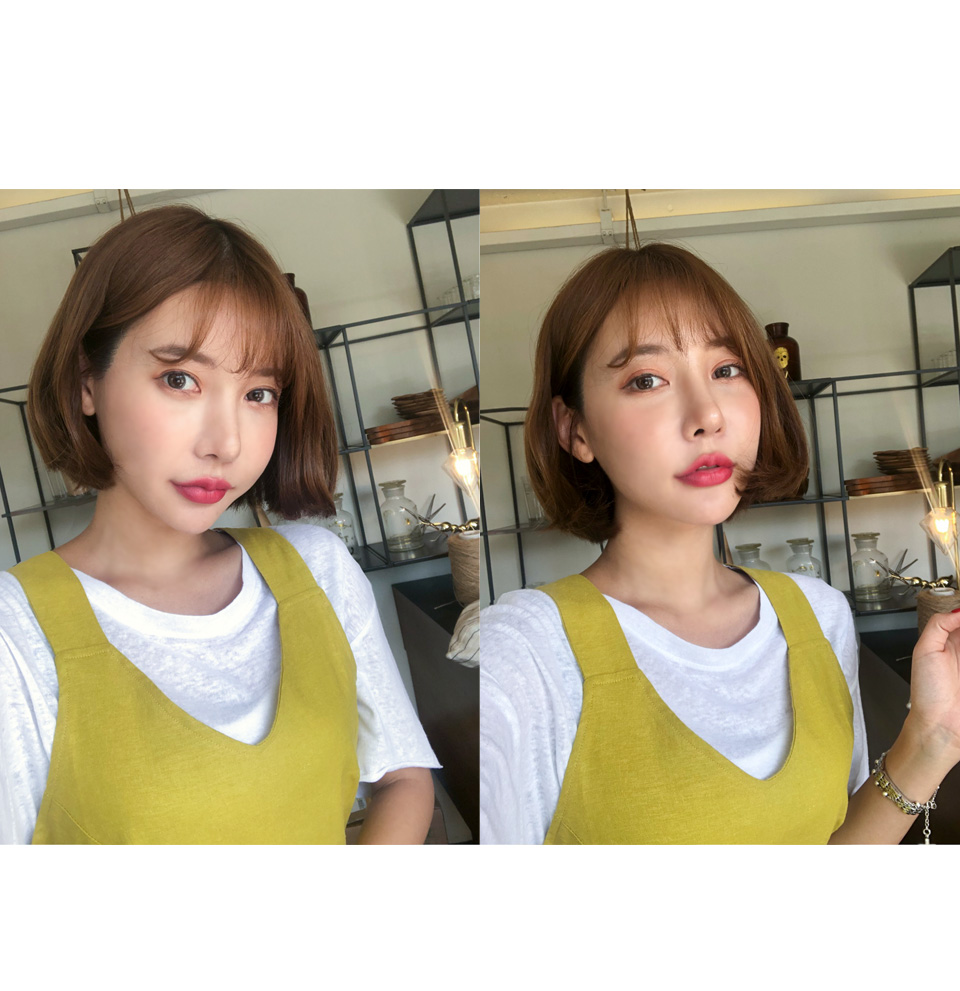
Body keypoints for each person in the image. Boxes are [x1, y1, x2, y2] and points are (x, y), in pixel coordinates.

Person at [480, 243, 960, 844]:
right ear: (574, 430)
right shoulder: (524, 652)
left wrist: (935, 736)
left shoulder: (820, 615)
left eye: (726, 370)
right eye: (646, 380)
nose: (707, 414)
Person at [0, 205, 439, 844]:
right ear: (86, 383)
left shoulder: (317, 568)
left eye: (259, 393)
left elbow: (402, 778)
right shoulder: (17, 634)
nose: (226, 443)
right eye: (180, 379)